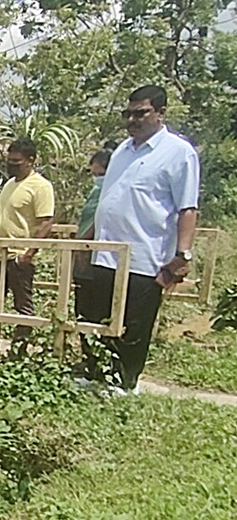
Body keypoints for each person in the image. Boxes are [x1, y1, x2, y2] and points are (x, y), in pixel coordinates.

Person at [81, 85, 200, 393]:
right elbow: (110, 199)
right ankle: (97, 376)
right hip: (106, 253)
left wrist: (182, 256)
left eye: (140, 113)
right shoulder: (122, 150)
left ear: (160, 113)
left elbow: (187, 208)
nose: (132, 120)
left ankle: (124, 382)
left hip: (145, 258)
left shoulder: (178, 152)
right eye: (128, 114)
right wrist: (89, 241)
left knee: (134, 325)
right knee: (96, 317)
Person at [0, 137, 55, 355]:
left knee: (22, 304)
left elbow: (46, 222)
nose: (11, 165)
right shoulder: (9, 184)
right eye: (9, 160)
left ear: (30, 160)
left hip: (19, 254)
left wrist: (29, 253)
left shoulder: (40, 186)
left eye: (16, 161)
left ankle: (20, 348)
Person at [73, 145, 115, 282]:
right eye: (94, 174)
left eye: (101, 175)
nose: (97, 179)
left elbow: (99, 221)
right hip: (83, 252)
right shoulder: (95, 192)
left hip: (97, 254)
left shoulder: (113, 194)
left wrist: (84, 244)